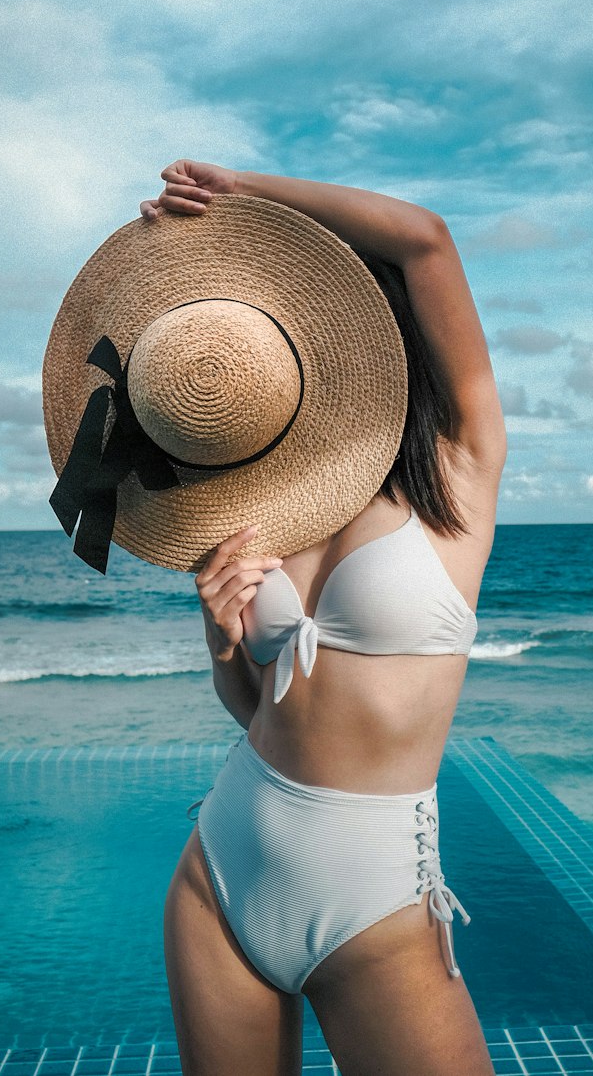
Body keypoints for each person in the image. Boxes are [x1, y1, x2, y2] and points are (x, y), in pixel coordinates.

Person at [144, 161, 506, 1076]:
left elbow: (426, 236)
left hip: (375, 900)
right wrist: (218, 629)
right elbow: (258, 706)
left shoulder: (461, 463)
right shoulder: (257, 489)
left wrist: (238, 196)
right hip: (221, 873)